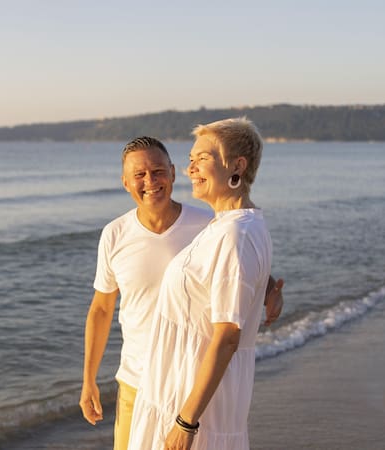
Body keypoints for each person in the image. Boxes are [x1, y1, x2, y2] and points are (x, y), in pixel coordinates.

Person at [79, 136, 284, 450]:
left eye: (158, 171)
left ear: (173, 173)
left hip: (189, 381)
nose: (151, 181)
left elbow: (238, 263)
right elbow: (102, 309)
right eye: (139, 175)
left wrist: (270, 288)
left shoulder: (208, 225)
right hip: (136, 379)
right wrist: (89, 380)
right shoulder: (114, 235)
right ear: (125, 182)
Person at [126, 117, 271, 450]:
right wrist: (268, 292)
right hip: (176, 394)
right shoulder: (227, 226)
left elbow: (227, 338)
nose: (191, 169)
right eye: (190, 160)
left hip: (192, 408)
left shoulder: (235, 235)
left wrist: (185, 422)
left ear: (237, 166)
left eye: (202, 159)